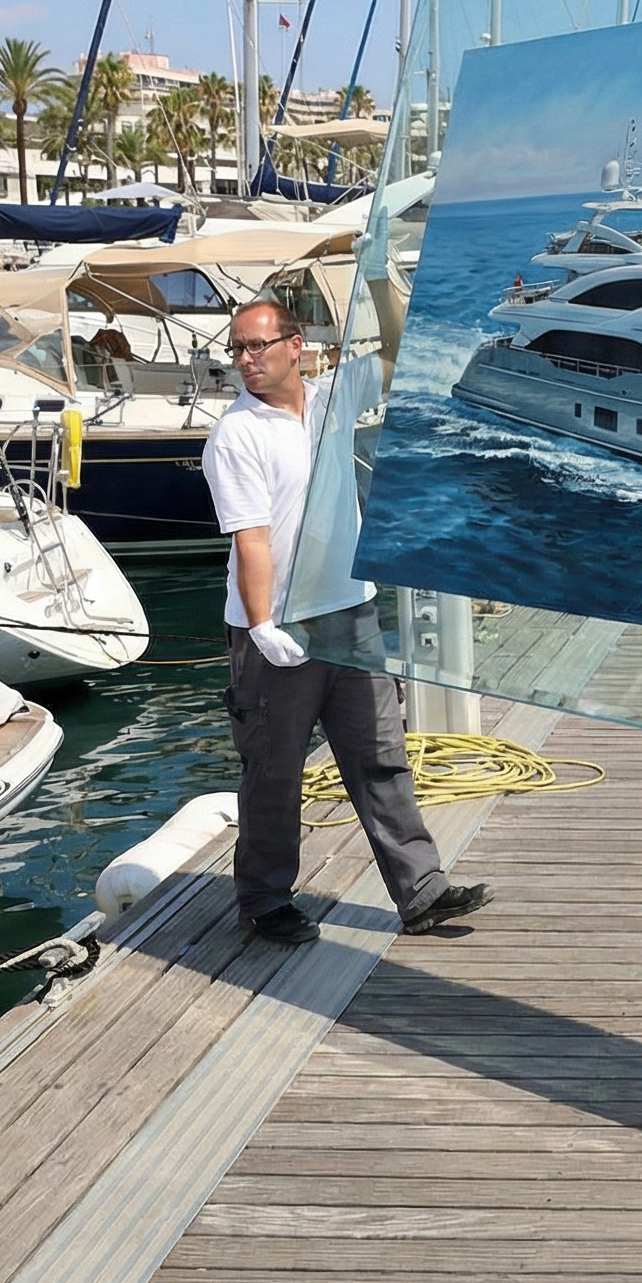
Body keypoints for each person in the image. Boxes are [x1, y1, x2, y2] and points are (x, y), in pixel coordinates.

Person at [204, 300, 491, 944]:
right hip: (277, 629)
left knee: (380, 755)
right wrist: (260, 625)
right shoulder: (237, 433)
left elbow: (399, 351)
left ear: (296, 346)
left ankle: (422, 892)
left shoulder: (335, 395)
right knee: (274, 771)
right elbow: (251, 541)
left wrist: (382, 266)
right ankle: (265, 900)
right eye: (237, 350)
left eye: (258, 346)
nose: (246, 360)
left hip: (350, 611)